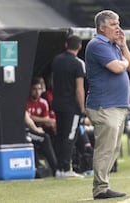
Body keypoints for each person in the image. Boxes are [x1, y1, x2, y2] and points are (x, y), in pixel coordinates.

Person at [85, 10, 130, 199]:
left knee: (112, 148)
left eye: (118, 23)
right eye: (114, 24)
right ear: (102, 27)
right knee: (105, 149)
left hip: (116, 105)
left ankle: (103, 186)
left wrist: (124, 46)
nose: (118, 28)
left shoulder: (114, 45)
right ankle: (100, 189)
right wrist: (122, 60)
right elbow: (117, 67)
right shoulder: (97, 44)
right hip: (104, 105)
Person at [50, 35, 86, 178]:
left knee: (60, 136)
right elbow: (79, 88)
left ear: (66, 44)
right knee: (70, 137)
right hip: (71, 106)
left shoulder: (56, 60)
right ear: (79, 47)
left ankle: (59, 168)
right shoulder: (78, 64)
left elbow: (52, 82)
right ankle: (65, 169)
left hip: (58, 104)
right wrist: (82, 108)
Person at [25, 111, 58, 176]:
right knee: (44, 138)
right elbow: (27, 119)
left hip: (24, 131)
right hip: (23, 133)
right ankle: (55, 168)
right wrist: (36, 129)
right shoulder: (18, 103)